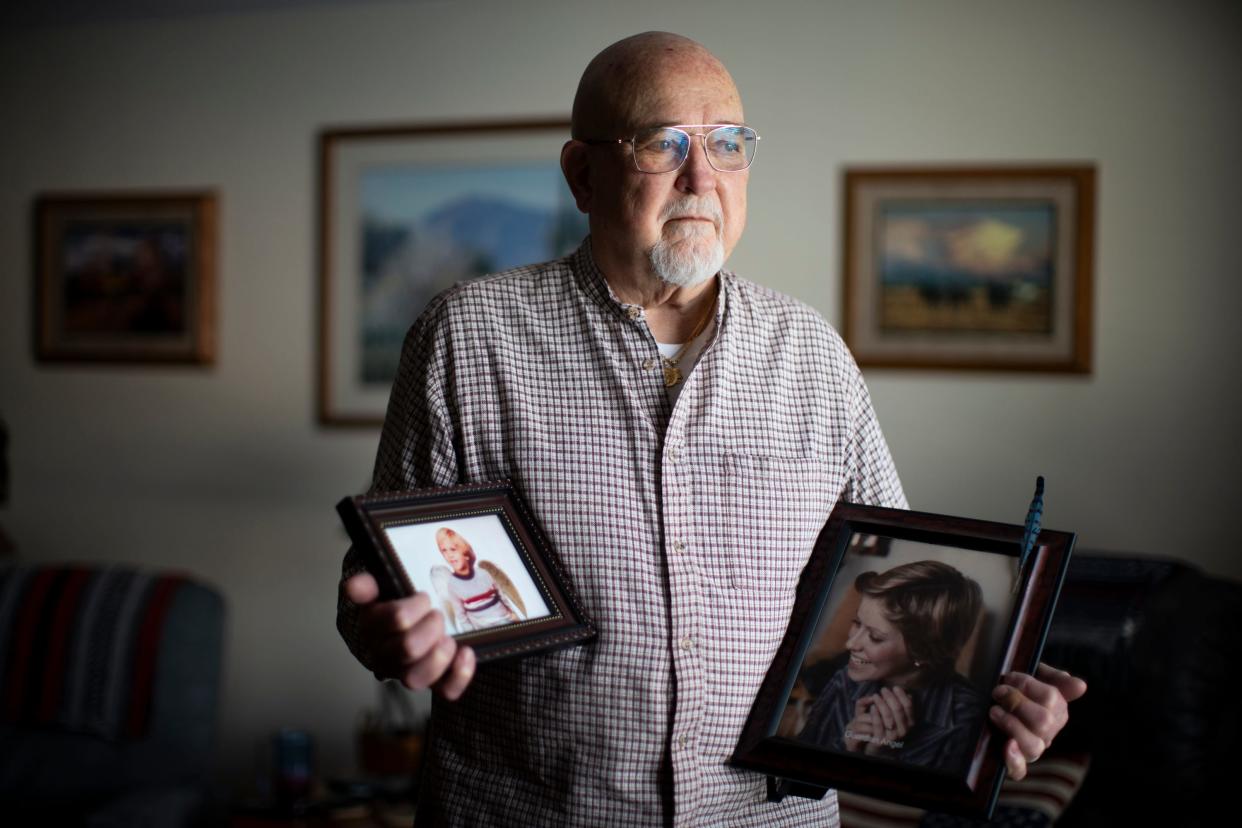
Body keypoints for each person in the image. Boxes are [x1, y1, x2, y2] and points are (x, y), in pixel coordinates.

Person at [337, 31, 1086, 826]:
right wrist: (386, 632)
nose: (703, 177)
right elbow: (378, 584)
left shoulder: (812, 354)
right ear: (581, 175)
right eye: (663, 144)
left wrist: (994, 704)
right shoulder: (468, 337)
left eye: (728, 144)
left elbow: (896, 577)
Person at [798, 561, 987, 772]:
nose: (850, 644)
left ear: (924, 652)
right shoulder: (845, 678)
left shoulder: (968, 717)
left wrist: (884, 762)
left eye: (875, 637)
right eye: (857, 623)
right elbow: (796, 763)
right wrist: (846, 750)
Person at [429, 527, 525, 633]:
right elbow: (461, 616)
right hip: (485, 630)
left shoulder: (483, 573)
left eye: (453, 549)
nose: (449, 555)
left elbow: (501, 595)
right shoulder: (452, 584)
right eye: (444, 551)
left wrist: (513, 614)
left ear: (465, 552)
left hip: (506, 621)